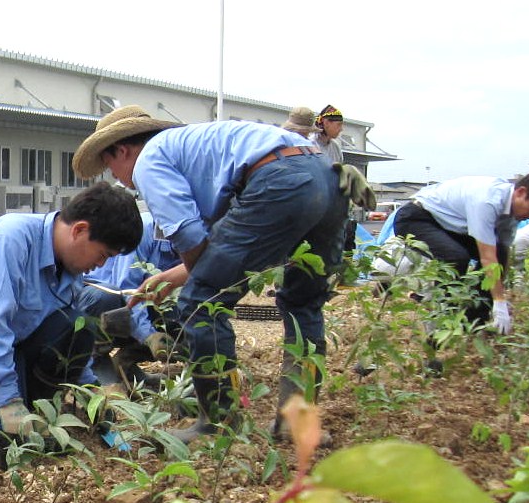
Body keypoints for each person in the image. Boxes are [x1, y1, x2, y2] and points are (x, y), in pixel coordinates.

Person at [73, 105, 348, 441]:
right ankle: (298, 423)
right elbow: (224, 244)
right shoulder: (199, 149)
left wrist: (193, 283)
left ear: (123, 150)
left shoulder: (150, 159)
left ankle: (217, 423)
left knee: (200, 304)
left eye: (112, 167)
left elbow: (190, 236)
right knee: (303, 303)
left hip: (279, 179)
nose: (118, 179)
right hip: (328, 176)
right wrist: (175, 276)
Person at [0, 183, 144, 464]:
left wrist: (91, 391)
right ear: (79, 230)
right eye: (103, 255)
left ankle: (23, 408)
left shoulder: (69, 268)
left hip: (9, 359)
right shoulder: (11, 239)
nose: (99, 265)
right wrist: (10, 403)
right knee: (2, 443)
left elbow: (68, 337)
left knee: (79, 324)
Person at [390, 172, 529, 336]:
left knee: (499, 252)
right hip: (416, 218)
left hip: (447, 226)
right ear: (521, 192)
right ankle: (442, 321)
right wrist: (500, 301)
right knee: (456, 257)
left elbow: (502, 254)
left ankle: (472, 323)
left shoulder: (511, 213)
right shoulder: (487, 201)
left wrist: (499, 295)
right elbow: (487, 257)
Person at [84, 214, 183, 391]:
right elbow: (128, 290)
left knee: (180, 313)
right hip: (101, 300)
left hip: (134, 308)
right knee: (108, 299)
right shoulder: (143, 232)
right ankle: (96, 364)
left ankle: (126, 364)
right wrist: (149, 336)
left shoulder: (197, 240)